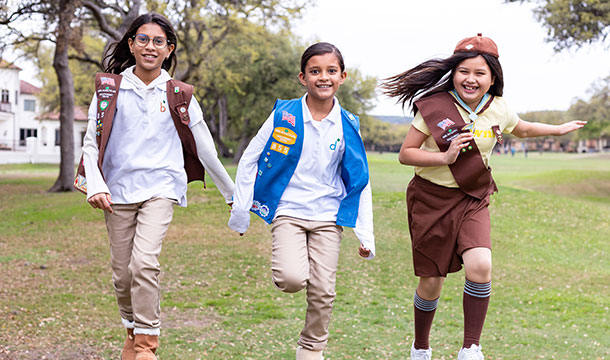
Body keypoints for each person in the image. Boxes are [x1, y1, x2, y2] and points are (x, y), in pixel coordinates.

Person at [381, 33, 585, 360]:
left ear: (493, 77)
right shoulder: (435, 107)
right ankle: (420, 347)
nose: (471, 79)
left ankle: (471, 347)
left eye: (480, 73)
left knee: (481, 265)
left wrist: (558, 129)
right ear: (453, 73)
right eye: (464, 71)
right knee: (431, 283)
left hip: (473, 197)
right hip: (430, 200)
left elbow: (524, 128)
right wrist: (444, 158)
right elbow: (406, 154)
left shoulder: (499, 108)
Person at [80, 13, 235, 360]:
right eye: (144, 39)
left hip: (161, 187)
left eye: (158, 41)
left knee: (144, 263)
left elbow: (204, 145)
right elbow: (91, 141)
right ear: (132, 44)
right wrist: (95, 184)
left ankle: (147, 346)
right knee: (122, 274)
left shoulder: (179, 94)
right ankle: (133, 332)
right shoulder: (109, 89)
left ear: (169, 50)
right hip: (116, 191)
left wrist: (230, 192)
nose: (151, 46)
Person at [228, 42, 375, 360]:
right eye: (315, 71)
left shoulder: (348, 124)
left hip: (327, 215)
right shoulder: (284, 115)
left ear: (342, 76)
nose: (324, 77)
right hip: (289, 211)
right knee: (292, 278)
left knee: (324, 290)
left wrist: (365, 235)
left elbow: (361, 182)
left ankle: (311, 350)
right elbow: (250, 158)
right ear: (302, 77)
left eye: (331, 71)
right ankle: (296, 263)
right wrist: (241, 211)